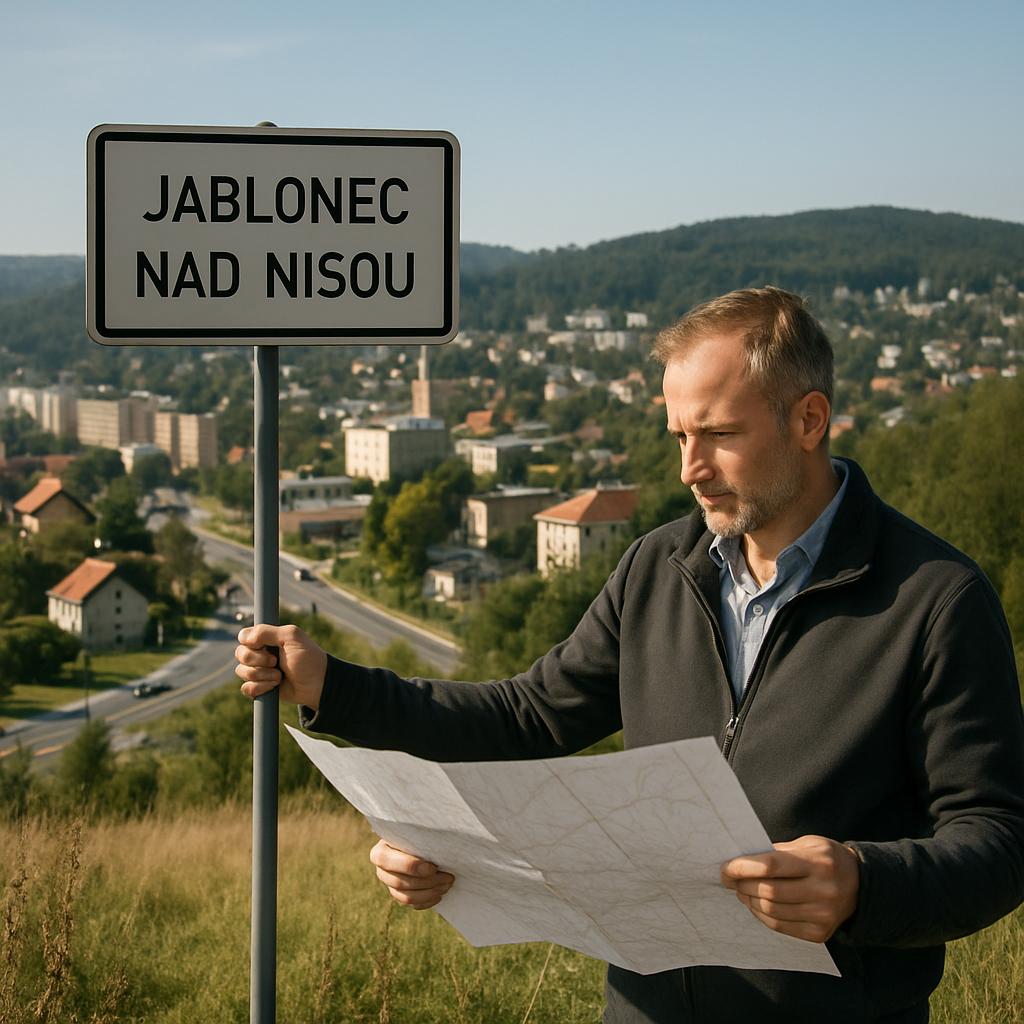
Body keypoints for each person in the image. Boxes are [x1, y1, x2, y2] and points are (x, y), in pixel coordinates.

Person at [237, 287, 1024, 1023]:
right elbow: (528, 716)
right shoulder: (660, 568)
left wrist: (862, 882)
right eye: (680, 435)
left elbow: (996, 839)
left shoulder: (935, 599)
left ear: (809, 420)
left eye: (717, 435)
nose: (690, 469)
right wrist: (336, 689)